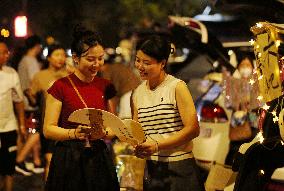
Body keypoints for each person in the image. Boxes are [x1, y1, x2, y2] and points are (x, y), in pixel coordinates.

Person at [43, 26, 119, 191]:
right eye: (91, 59)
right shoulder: (60, 86)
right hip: (69, 157)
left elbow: (115, 126)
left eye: (100, 58)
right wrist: (74, 133)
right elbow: (48, 129)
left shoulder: (106, 87)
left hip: (98, 156)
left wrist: (104, 133)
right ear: (75, 58)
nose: (96, 64)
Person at [131, 35, 204, 191]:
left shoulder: (177, 87)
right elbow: (136, 130)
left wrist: (158, 145)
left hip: (180, 168)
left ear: (162, 63)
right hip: (152, 169)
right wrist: (137, 145)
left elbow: (193, 129)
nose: (140, 66)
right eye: (137, 60)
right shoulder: (137, 93)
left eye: (147, 63)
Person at [24, 44, 70, 180]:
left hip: (68, 124)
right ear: (49, 58)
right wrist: (29, 95)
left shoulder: (70, 75)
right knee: (50, 160)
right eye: (57, 55)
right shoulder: (40, 76)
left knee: (66, 164)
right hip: (50, 124)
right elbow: (33, 101)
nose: (60, 58)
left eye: (63, 55)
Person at [15, 35, 44, 176]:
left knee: (32, 132)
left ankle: (37, 162)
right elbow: (35, 82)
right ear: (37, 46)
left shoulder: (23, 60)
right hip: (32, 103)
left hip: (25, 103)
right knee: (37, 131)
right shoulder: (31, 61)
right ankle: (20, 160)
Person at [225, 54, 259, 166]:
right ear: (238, 67)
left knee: (251, 149)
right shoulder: (233, 82)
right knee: (235, 150)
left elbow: (259, 103)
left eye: (248, 65)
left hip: (253, 120)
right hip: (238, 122)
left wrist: (250, 103)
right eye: (242, 65)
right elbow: (227, 103)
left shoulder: (257, 82)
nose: (245, 68)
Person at [0, 40, 25, 191]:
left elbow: (19, 101)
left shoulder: (11, 73)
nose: (5, 55)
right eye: (1, 52)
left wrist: (21, 124)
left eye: (5, 52)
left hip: (8, 127)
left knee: (8, 168)